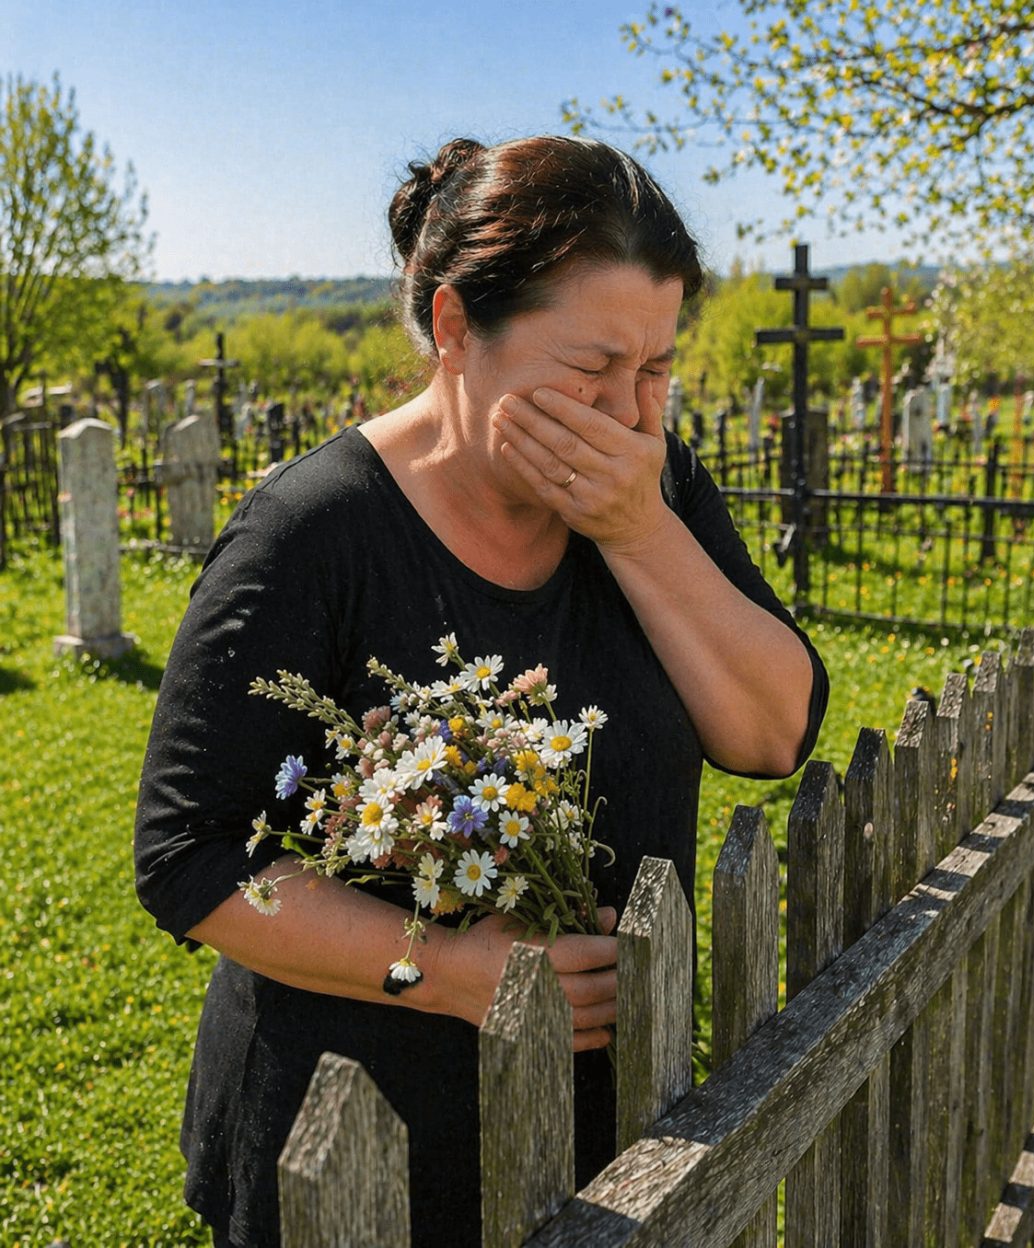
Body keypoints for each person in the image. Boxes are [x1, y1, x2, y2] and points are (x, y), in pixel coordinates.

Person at [135, 135, 829, 1248]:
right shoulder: (311, 534)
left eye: (656, 371)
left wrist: (639, 529)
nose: (630, 416)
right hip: (358, 1148)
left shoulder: (656, 484)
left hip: (609, 1129)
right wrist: (453, 970)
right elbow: (191, 858)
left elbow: (770, 729)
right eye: (591, 368)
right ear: (455, 329)